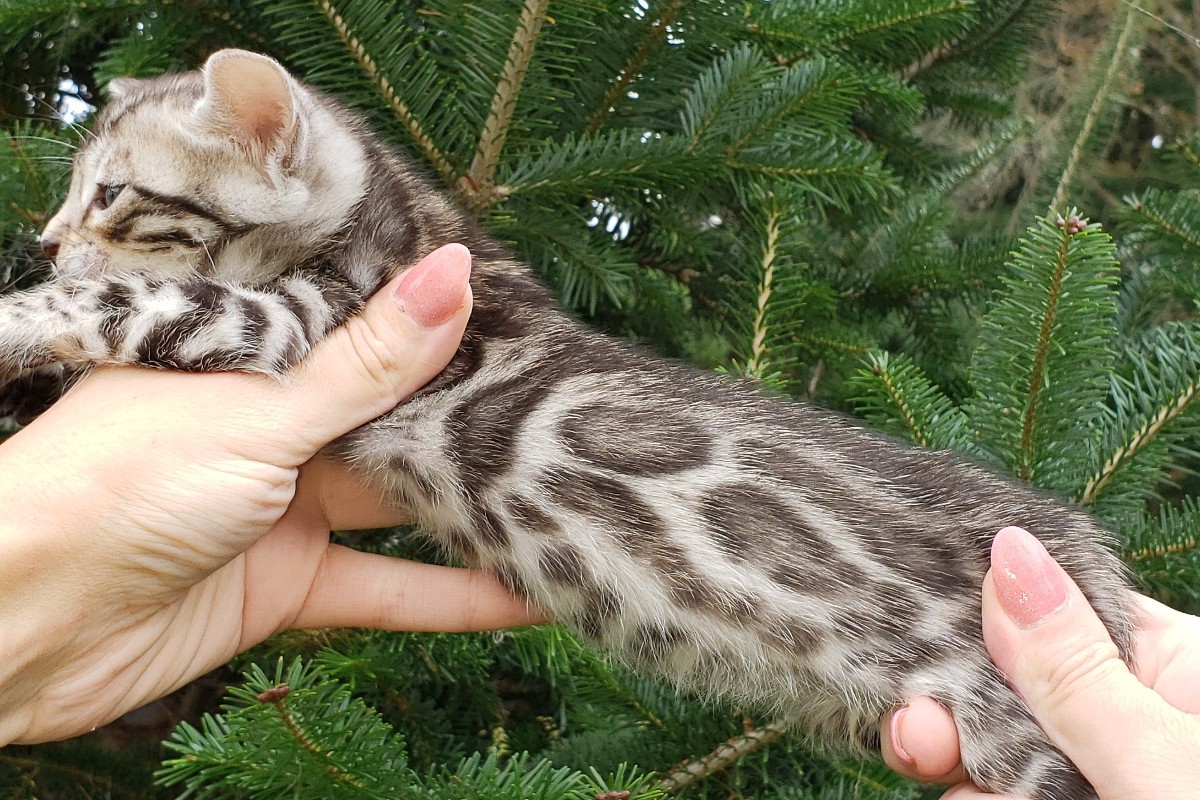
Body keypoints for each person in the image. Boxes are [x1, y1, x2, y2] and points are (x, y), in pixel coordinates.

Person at [0, 245, 1197, 797]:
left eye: (108, 200)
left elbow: (247, 334)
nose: (66, 230)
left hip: (939, 609)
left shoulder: (367, 277)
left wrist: (44, 323)